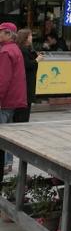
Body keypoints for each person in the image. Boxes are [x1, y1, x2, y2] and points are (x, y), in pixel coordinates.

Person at [0, 22, 27, 175]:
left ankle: (4, 163)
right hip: (14, 99)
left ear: (8, 34)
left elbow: (3, 79)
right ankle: (8, 163)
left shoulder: (5, 51)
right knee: (8, 133)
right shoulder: (15, 49)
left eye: (1, 32)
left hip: (6, 99)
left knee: (2, 133)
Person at [13, 28, 39, 123]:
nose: (31, 37)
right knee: (24, 106)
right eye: (30, 36)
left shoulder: (27, 49)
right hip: (25, 81)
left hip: (28, 81)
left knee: (27, 104)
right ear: (25, 38)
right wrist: (37, 60)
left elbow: (32, 57)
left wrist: (34, 51)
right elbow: (26, 64)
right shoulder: (22, 50)